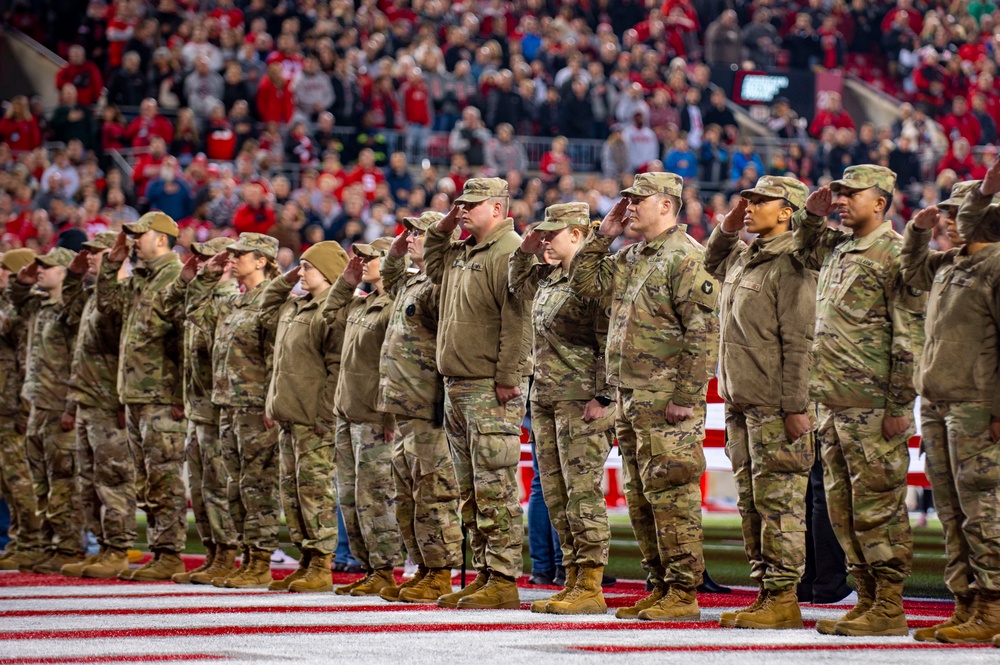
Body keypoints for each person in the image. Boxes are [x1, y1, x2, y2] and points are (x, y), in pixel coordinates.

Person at [570, 172, 719, 622]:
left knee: (673, 494)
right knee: (641, 497)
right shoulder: (632, 255)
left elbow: (703, 331)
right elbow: (585, 287)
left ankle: (683, 591)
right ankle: (659, 583)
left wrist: (687, 396)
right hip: (630, 397)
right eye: (627, 200)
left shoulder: (686, 257)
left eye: (638, 200)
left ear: (667, 205)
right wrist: (603, 235)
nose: (629, 206)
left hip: (666, 400)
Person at [798, 165, 925, 636]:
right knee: (842, 511)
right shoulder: (841, 248)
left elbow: (908, 337)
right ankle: (868, 597)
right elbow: (802, 250)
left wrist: (897, 407)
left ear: (881, 203)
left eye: (853, 194)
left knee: (879, 507)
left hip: (872, 406)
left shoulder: (895, 254)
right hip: (832, 405)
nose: (843, 199)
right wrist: (812, 216)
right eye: (841, 193)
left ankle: (889, 604)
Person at [704, 177, 816, 629]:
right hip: (742, 401)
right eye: (746, 199)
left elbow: (800, 340)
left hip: (774, 405)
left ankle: (784, 598)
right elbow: (711, 262)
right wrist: (728, 228)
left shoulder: (793, 263)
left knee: (780, 504)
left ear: (787, 212)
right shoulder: (747, 256)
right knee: (752, 503)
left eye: (758, 201)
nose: (747, 206)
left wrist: (795, 406)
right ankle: (767, 591)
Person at [422, 178, 531, 610]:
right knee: (470, 488)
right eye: (459, 204)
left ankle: (503, 578)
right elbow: (432, 263)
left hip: (489, 386)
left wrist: (507, 376)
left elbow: (518, 322)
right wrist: (445, 224)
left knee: (495, 486)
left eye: (471, 204)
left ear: (499, 209)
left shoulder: (510, 251)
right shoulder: (464, 250)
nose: (462, 209)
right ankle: (486, 572)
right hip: (458, 384)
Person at [900, 173, 1000, 644]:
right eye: (950, 212)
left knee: (983, 507)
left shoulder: (997, 266)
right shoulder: (948, 263)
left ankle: (994, 606)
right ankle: (965, 604)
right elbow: (912, 273)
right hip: (939, 403)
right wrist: (918, 233)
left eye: (962, 211)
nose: (953, 221)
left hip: (977, 406)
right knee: (951, 509)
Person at [509, 203, 615, 615]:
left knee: (582, 493)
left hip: (582, 401)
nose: (546, 241)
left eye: (552, 234)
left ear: (576, 234)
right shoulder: (548, 278)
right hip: (548, 401)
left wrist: (605, 395)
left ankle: (590, 582)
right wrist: (527, 249)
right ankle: (572, 577)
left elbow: (611, 339)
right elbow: (516, 284)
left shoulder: (594, 282)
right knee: (556, 495)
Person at [377, 212, 462, 603]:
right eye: (409, 232)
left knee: (434, 492)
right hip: (403, 407)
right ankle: (425, 567)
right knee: (407, 494)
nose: (410, 238)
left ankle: (441, 572)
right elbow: (390, 276)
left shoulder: (440, 285)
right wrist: (395, 252)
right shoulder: (413, 282)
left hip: (427, 404)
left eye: (419, 234)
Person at [187, 233, 281, 589]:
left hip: (256, 406)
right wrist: (208, 275)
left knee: (258, 485)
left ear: (261, 260)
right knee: (235, 486)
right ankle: (244, 557)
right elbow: (195, 310)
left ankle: (260, 560)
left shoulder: (271, 299)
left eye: (242, 254)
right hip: (227, 404)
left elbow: (276, 355)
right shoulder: (235, 301)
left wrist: (273, 399)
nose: (233, 258)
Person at [98, 213, 187, 581]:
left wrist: (181, 394)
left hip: (162, 394)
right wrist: (113, 262)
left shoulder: (176, 277)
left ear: (162, 240)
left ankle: (170, 553)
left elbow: (184, 339)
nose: (133, 240)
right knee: (146, 478)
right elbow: (107, 306)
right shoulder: (141, 279)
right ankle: (159, 550)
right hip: (136, 393)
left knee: (164, 475)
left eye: (140, 235)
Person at [261, 240, 350, 593]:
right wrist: (285, 280)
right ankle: (307, 558)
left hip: (313, 418)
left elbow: (336, 366)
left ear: (327, 272)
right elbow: (265, 312)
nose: (300, 272)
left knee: (315, 491)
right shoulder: (296, 305)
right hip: (289, 415)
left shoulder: (330, 309)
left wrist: (324, 413)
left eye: (307, 266)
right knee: (292, 492)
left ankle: (322, 563)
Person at [323, 237, 402, 597]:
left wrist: (390, 416)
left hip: (374, 415)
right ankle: (368, 566)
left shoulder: (393, 305)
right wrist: (346, 282)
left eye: (370, 257)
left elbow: (395, 362)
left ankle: (384, 568)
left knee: (376, 496)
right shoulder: (362, 303)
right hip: (347, 411)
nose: (363, 260)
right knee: (351, 497)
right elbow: (329, 318)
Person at [59, 233, 135, 579]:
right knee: (87, 480)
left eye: (97, 253)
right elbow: (67, 316)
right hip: (87, 399)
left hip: (109, 401)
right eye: (86, 253)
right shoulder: (93, 296)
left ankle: (118, 549)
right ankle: (103, 546)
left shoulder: (123, 295)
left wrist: (123, 400)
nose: (89, 258)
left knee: (113, 478)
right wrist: (74, 275)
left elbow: (129, 351)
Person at [165, 238, 241, 584]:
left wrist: (203, 281)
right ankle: (212, 551)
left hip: (216, 406)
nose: (201, 263)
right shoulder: (201, 295)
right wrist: (188, 277)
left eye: (209, 259)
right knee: (198, 486)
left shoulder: (227, 300)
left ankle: (227, 551)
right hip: (197, 405)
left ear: (225, 263)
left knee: (216, 484)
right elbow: (166, 308)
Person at [8, 247, 84, 574]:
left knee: (63, 480)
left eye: (48, 267)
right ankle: (46, 544)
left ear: (65, 273)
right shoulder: (38, 305)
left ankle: (68, 547)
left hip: (59, 405)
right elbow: (16, 307)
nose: (41, 270)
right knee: (40, 481)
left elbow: (78, 360)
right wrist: (21, 282)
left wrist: (71, 406)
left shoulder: (69, 310)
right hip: (36, 404)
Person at [0, 249, 45, 571]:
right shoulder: (11, 307)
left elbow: (30, 362)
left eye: (3, 268)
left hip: (15, 405)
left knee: (21, 480)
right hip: (4, 404)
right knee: (7, 482)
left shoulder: (27, 310)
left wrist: (24, 410)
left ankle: (33, 541)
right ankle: (21, 540)